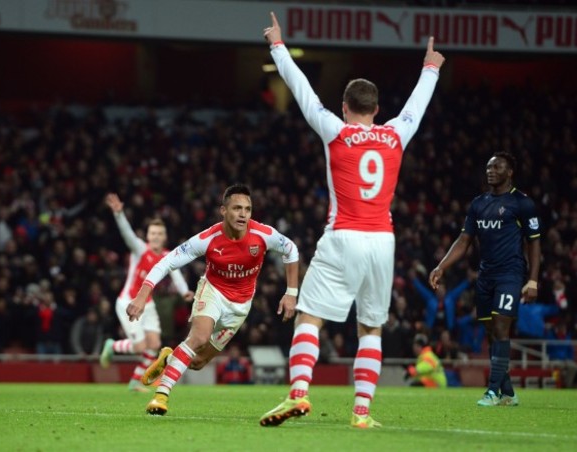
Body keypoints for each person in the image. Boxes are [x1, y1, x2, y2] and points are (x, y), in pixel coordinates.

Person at [259, 12, 445, 429]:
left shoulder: (335, 131)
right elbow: (417, 105)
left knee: (309, 316)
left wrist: (278, 45)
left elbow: (302, 91)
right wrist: (430, 69)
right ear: (377, 110)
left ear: (345, 108)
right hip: (383, 240)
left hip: (344, 235)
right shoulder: (397, 133)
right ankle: (361, 413)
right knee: (371, 327)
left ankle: (299, 393)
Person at [126, 184, 299, 415]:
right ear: (223, 211)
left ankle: (169, 357)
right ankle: (161, 396)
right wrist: (141, 296)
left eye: (247, 209)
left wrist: (291, 292)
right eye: (237, 208)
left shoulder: (263, 235)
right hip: (213, 292)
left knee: (197, 363)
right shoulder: (208, 238)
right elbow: (166, 262)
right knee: (198, 337)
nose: (243, 214)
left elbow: (291, 250)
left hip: (241, 306)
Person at [429, 152, 541, 406]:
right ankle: (509, 393)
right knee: (492, 334)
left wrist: (532, 280)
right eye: (488, 167)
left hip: (510, 274)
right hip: (485, 276)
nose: (490, 170)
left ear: (509, 171)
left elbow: (535, 243)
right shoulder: (479, 204)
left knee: (502, 327)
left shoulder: (522, 203)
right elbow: (464, 240)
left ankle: (492, 391)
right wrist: (441, 266)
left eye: (497, 167)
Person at [99, 193, 194, 393]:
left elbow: (176, 275)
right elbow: (128, 235)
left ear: (165, 237)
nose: (156, 237)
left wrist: (185, 292)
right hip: (128, 302)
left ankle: (135, 383)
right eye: (153, 234)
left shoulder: (168, 256)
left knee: (154, 344)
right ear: (148, 236)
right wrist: (119, 215)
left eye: (160, 234)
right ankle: (113, 345)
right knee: (141, 346)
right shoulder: (140, 249)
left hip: (147, 304)